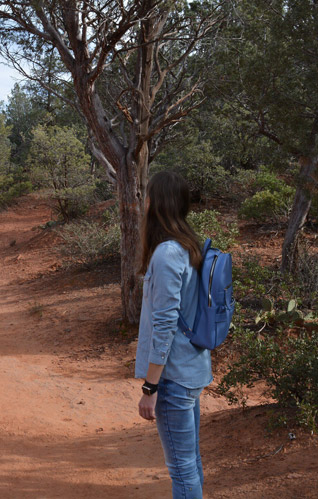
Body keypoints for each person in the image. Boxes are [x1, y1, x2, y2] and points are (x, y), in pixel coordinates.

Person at [135, 171, 211, 499]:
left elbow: (164, 325)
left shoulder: (167, 254)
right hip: (191, 369)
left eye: (148, 196)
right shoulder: (189, 246)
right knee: (189, 463)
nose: (145, 202)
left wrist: (150, 386)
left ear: (158, 203)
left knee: (181, 469)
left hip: (173, 377)